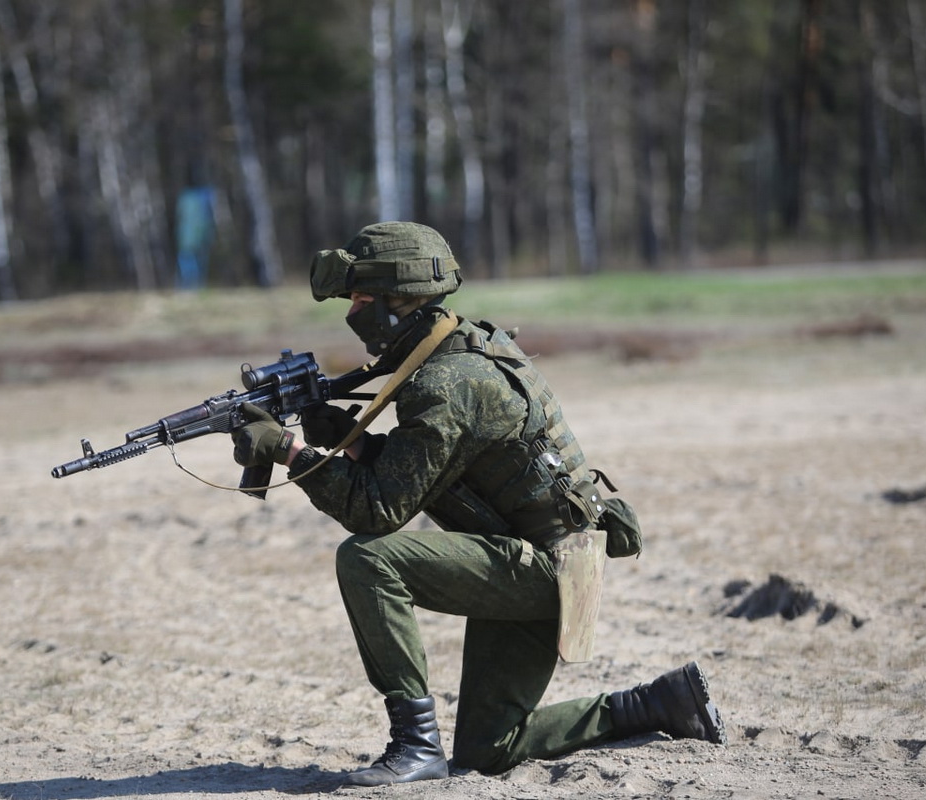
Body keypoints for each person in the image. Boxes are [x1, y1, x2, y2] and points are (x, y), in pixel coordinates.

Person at [229, 221, 724, 786]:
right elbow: (434, 468)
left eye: (362, 298)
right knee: (491, 750)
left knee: (367, 557)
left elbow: (379, 512)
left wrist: (291, 453)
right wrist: (352, 438)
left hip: (546, 570)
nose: (352, 313)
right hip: (550, 559)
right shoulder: (458, 344)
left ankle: (415, 747)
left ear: (401, 300)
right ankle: (656, 704)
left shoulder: (445, 382)